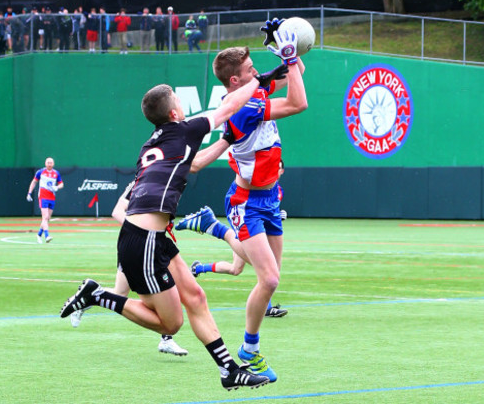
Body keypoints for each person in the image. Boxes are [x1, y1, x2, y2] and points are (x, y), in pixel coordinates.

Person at [59, 61, 289, 390]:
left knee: (195, 296)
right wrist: (259, 83)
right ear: (173, 114)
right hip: (145, 241)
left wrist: (226, 140)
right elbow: (228, 108)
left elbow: (194, 161)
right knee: (172, 322)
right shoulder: (183, 131)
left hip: (154, 237)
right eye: (179, 103)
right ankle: (98, 296)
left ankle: (229, 371)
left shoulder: (152, 145)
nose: (183, 108)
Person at [174, 21, 307, 383]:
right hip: (246, 201)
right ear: (236, 81)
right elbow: (299, 101)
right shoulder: (246, 109)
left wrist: (282, 50)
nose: (257, 73)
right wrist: (289, 58)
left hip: (268, 196)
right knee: (269, 278)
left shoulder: (253, 91)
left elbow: (296, 74)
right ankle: (249, 349)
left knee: (247, 269)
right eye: (250, 71)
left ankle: (211, 226)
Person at [70, 180, 189, 356]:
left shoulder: (167, 177)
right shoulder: (141, 182)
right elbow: (117, 211)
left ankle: (166, 339)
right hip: (140, 244)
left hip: (156, 243)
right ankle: (88, 299)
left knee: (167, 290)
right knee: (123, 295)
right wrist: (140, 232)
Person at [184, 162, 289, 318]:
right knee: (266, 267)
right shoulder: (252, 183)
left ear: (282, 171)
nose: (275, 168)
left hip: (259, 230)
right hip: (247, 225)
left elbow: (268, 211)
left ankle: (198, 268)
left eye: (278, 166)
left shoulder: (278, 191)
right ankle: (217, 228)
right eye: (275, 165)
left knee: (236, 269)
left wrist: (279, 214)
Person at [26, 157, 63, 244]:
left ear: (53, 164)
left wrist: (57, 187)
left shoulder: (56, 173)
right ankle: (47, 236)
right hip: (43, 196)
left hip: (52, 197)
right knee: (45, 217)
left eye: (51, 163)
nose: (49, 164)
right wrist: (29, 193)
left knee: (47, 218)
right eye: (48, 162)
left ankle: (39, 234)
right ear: (45, 163)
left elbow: (61, 183)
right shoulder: (40, 172)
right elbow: (34, 182)